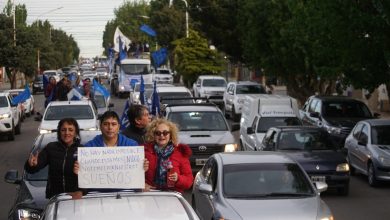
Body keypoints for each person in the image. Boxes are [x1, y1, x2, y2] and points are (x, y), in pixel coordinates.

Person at [25, 118, 82, 199]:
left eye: (70, 130)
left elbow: (89, 178)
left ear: (75, 133)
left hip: (75, 197)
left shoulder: (82, 150)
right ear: (59, 132)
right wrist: (31, 164)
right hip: (54, 197)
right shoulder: (51, 147)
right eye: (63, 130)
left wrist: (82, 191)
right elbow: (33, 168)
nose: (67, 133)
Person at [144, 118, 193, 193]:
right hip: (150, 194)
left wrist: (178, 178)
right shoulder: (144, 152)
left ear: (171, 135)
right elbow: (133, 175)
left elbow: (189, 181)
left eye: (165, 133)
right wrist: (142, 184)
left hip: (172, 195)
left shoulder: (180, 153)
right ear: (153, 135)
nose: (161, 135)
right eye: (157, 133)